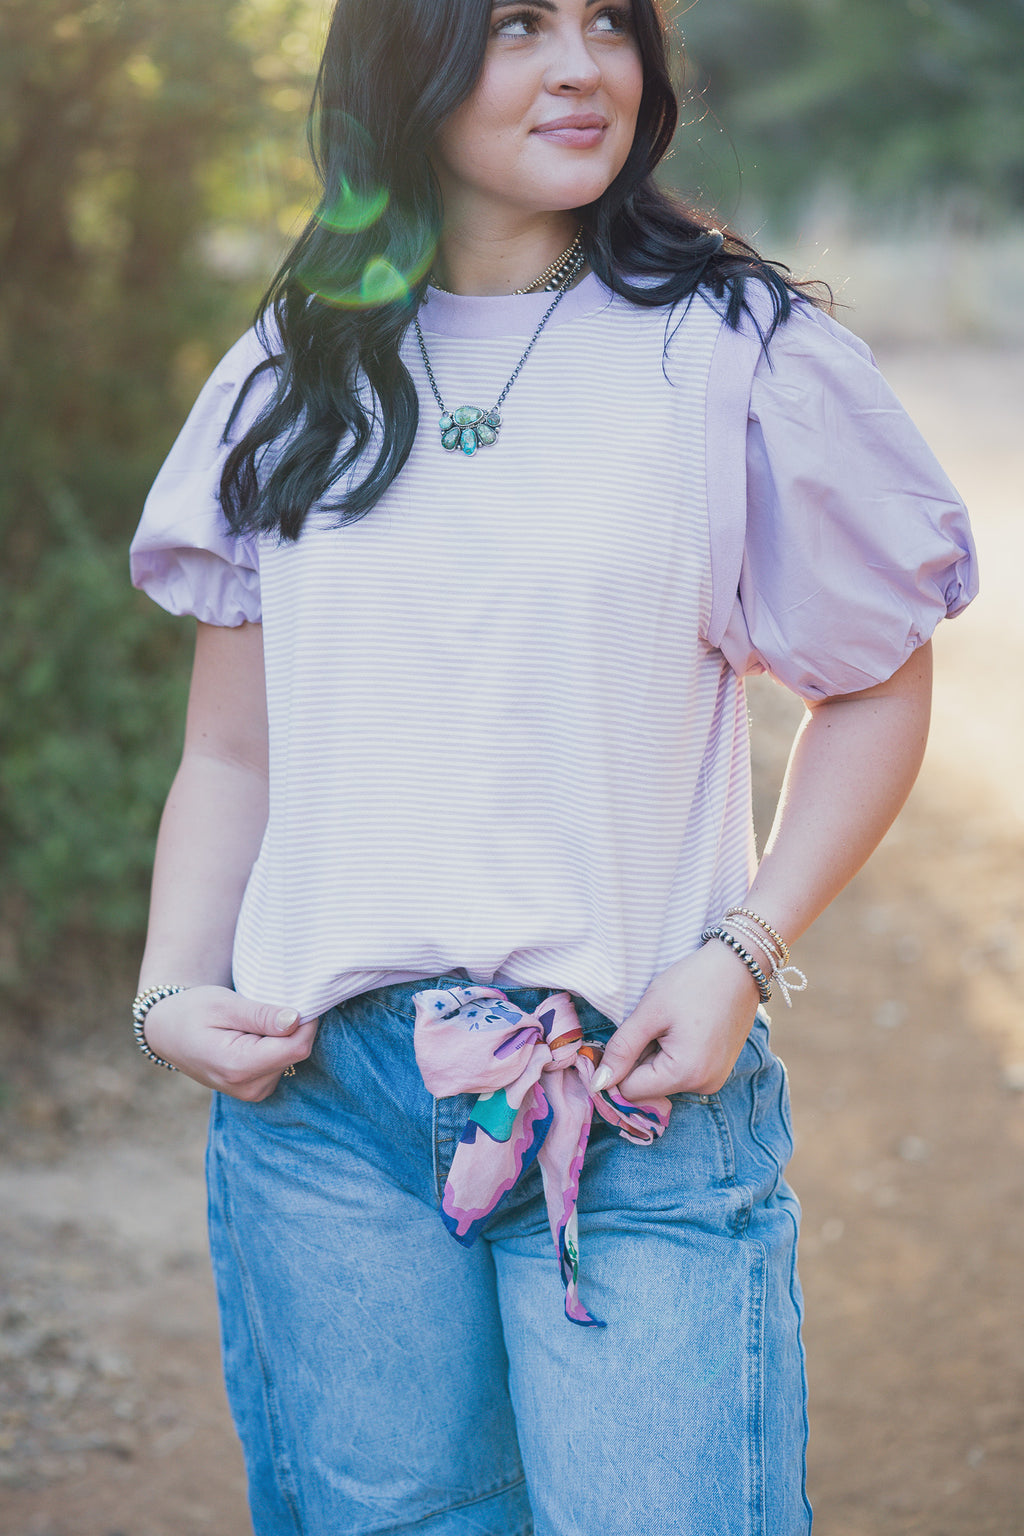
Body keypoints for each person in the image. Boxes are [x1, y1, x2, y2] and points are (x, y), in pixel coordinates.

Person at [128, 1, 977, 1531]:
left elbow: (876, 685)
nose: (583, 65)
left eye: (607, 21)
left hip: (630, 1096)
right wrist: (173, 981)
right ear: (409, 58)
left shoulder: (731, 353)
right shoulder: (294, 366)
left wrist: (743, 951)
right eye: (517, 23)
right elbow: (235, 748)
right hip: (329, 1116)